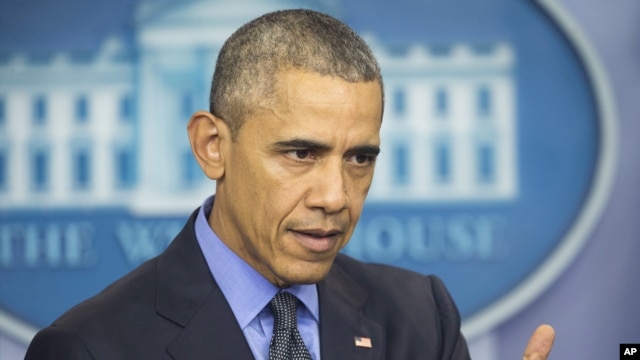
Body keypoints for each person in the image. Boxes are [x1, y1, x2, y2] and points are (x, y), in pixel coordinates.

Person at [25, 9, 555, 360]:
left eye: (360, 158)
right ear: (212, 146)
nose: (336, 197)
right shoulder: (88, 349)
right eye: (301, 153)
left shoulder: (421, 319)